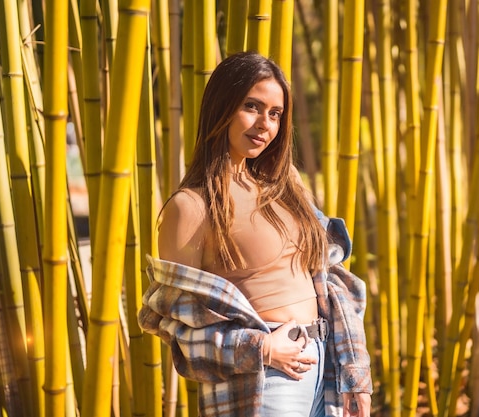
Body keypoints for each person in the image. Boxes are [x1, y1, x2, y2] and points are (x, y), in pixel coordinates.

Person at [138, 51, 372, 417]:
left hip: (325, 365)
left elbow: (332, 284)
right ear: (222, 107)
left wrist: (354, 372)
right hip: (266, 377)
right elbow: (176, 326)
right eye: (252, 106)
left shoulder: (286, 187)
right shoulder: (191, 206)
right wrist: (259, 348)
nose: (264, 123)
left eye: (275, 114)